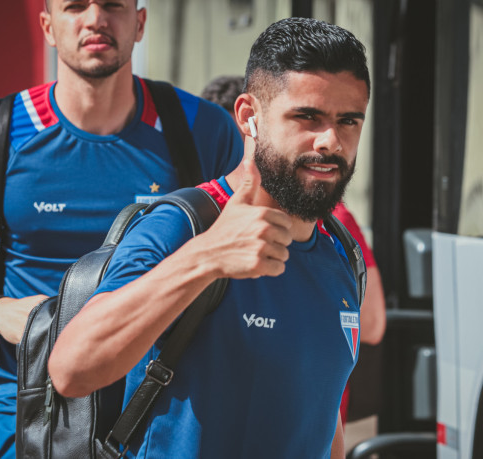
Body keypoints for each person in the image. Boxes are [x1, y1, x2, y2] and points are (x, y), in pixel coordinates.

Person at [0, 1, 243, 457]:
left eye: (112, 5)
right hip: (32, 403)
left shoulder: (201, 130)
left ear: (139, 23)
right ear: (48, 27)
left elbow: (242, 268)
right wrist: (0, 312)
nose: (95, 19)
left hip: (161, 402)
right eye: (75, 6)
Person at [49, 17, 371, 458]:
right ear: (248, 117)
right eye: (306, 117)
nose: (330, 141)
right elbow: (71, 370)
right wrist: (205, 258)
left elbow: (321, 411)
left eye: (348, 121)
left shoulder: (341, 255)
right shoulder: (184, 227)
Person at [200, 74, 386, 425]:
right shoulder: (193, 215)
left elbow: (371, 323)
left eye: (347, 120)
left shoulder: (332, 219)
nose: (235, 154)